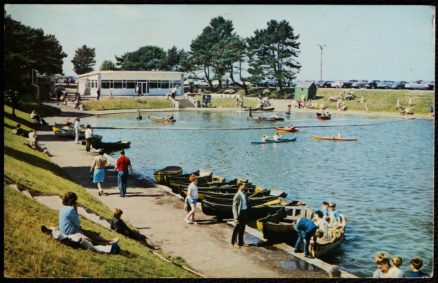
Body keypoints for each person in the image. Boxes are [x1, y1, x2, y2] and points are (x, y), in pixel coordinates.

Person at [48, 192, 119, 253]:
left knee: (90, 233)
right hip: (71, 232)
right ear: (73, 201)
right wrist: (75, 208)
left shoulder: (62, 208)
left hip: (65, 230)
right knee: (90, 238)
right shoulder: (71, 210)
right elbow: (78, 223)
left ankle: (108, 241)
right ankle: (107, 243)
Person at [231, 183, 251, 248]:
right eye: (244, 185)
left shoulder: (244, 194)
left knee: (242, 228)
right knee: (236, 228)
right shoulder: (237, 195)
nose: (245, 186)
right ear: (240, 186)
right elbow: (234, 207)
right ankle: (234, 242)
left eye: (245, 185)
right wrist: (236, 217)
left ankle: (241, 242)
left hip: (244, 212)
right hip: (239, 214)